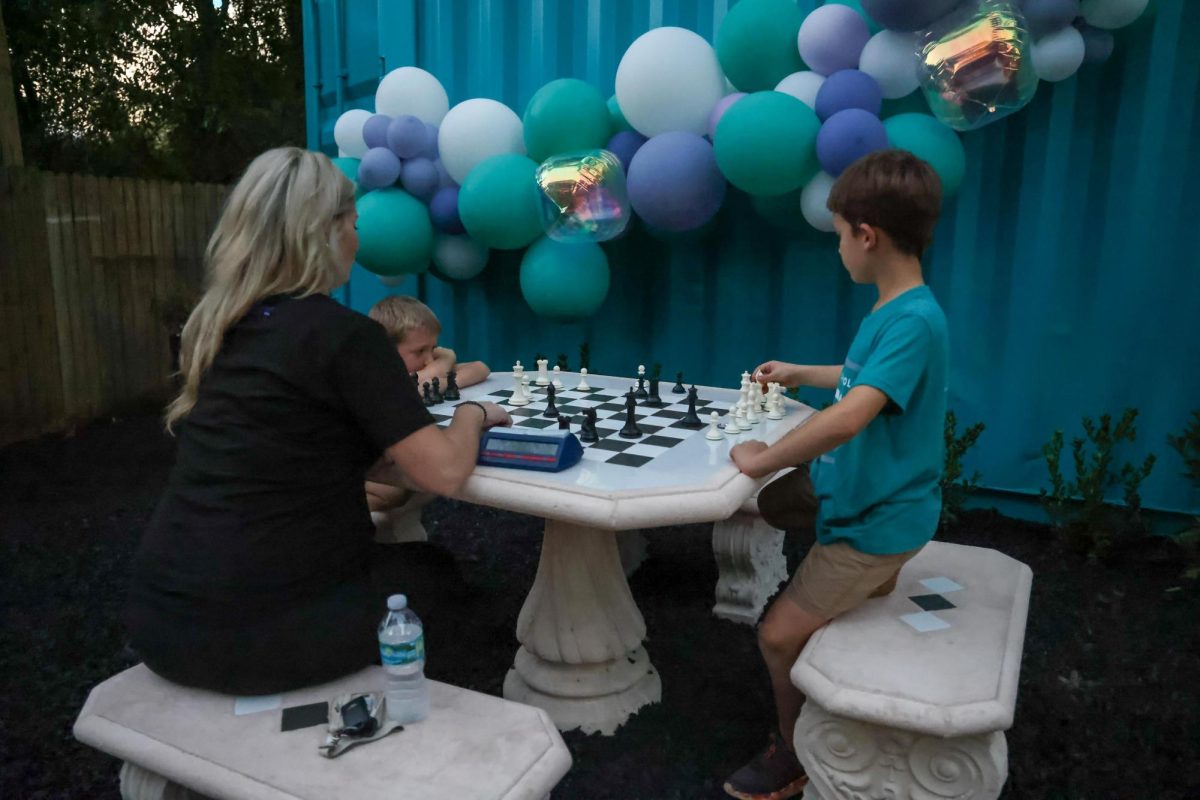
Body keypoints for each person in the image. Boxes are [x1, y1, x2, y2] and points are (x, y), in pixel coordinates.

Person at [123, 147, 511, 696]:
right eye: (353, 223)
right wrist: (473, 413)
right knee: (434, 573)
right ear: (325, 233)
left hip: (158, 620)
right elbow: (444, 473)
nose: (357, 237)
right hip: (256, 637)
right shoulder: (346, 337)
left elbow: (293, 441)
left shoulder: (215, 329)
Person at [721, 150, 949, 800]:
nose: (841, 249)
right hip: (868, 502)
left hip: (878, 524)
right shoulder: (899, 309)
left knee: (777, 634)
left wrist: (763, 457)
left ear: (866, 235)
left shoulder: (912, 320)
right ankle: (851, 668)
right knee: (780, 510)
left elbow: (850, 416)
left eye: (841, 235)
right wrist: (800, 372)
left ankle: (795, 752)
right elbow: (858, 381)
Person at [363, 295, 490, 538]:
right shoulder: (377, 380)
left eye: (433, 349)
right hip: (364, 480)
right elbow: (417, 387)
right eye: (420, 351)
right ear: (384, 350)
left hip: (395, 464)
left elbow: (480, 368)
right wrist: (442, 366)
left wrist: (441, 376)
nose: (429, 359)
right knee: (396, 490)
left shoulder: (421, 369)